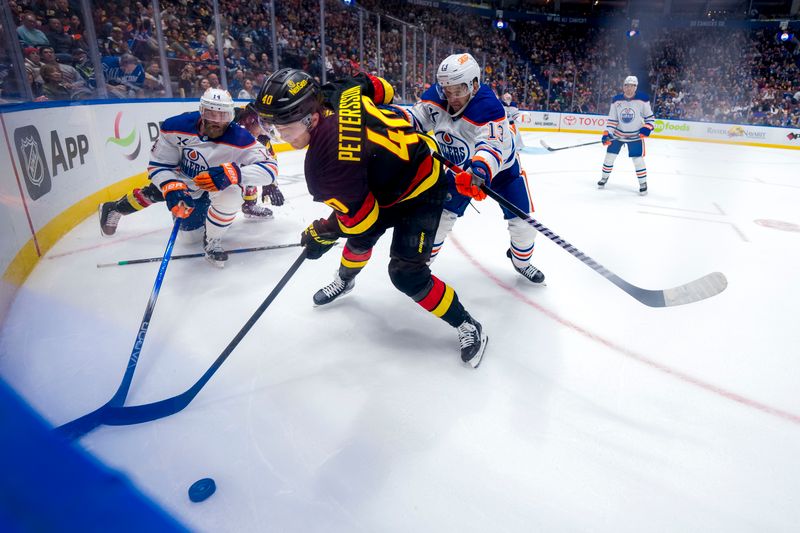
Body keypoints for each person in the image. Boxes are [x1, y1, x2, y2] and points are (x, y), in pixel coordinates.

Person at [252, 68, 488, 367]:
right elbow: (384, 89)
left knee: (406, 274)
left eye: (280, 126)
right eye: (269, 125)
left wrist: (323, 231)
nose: (275, 134)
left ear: (309, 117)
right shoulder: (337, 92)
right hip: (384, 180)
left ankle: (466, 323)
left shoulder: (324, 167)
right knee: (360, 239)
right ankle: (345, 280)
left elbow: (363, 220)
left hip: (421, 189)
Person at [394, 53, 545, 284]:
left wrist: (480, 172)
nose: (452, 97)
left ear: (474, 84)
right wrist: (391, 118)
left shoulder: (488, 107)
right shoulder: (437, 98)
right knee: (441, 219)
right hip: (458, 172)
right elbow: (416, 117)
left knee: (523, 224)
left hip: (502, 172)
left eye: (459, 89)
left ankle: (521, 262)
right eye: (447, 89)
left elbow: (492, 145)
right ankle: (419, 266)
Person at [99, 90, 279, 267]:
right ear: (202, 111)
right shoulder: (177, 126)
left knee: (232, 194)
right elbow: (160, 164)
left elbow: (268, 167)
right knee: (185, 232)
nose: (216, 121)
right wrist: (172, 186)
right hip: (184, 178)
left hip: (216, 182)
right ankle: (116, 208)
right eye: (211, 114)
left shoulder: (244, 137)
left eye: (223, 116)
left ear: (230, 115)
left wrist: (236, 176)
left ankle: (212, 238)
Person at [597, 75, 654, 195]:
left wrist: (646, 129)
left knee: (638, 160)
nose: (629, 88)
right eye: (627, 85)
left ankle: (643, 183)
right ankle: (604, 177)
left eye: (632, 86)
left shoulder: (643, 99)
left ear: (636, 87)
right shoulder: (616, 100)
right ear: (623, 87)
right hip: (618, 135)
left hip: (635, 137)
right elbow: (612, 120)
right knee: (609, 157)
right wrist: (607, 134)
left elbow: (650, 118)